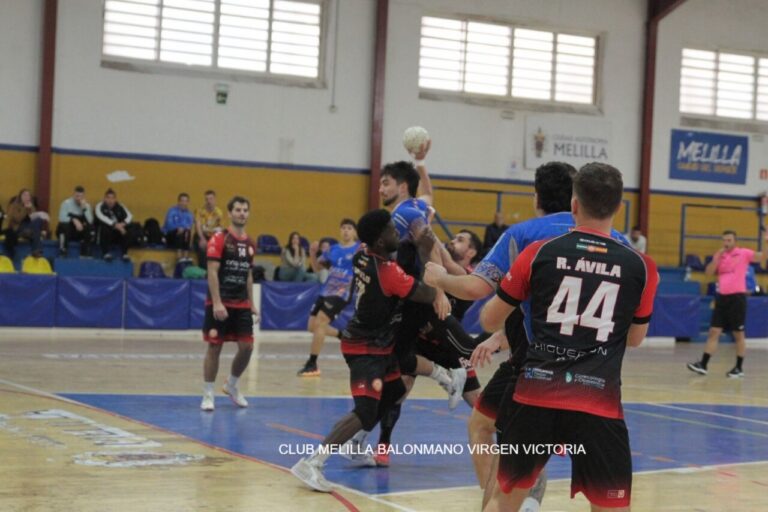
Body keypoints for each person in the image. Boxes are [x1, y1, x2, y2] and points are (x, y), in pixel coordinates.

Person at [424, 162, 629, 503]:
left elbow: (478, 290)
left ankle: (512, 504)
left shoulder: (525, 237)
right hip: (598, 379)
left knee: (499, 442)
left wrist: (439, 278)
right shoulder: (620, 245)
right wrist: (502, 335)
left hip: (536, 367)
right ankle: (525, 502)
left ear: (538, 197)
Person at [480, 162, 659, 512]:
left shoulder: (537, 253)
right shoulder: (641, 266)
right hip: (599, 402)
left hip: (535, 396)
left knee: (505, 501)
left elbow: (489, 320)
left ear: (574, 204)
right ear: (619, 208)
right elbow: (635, 339)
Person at [291, 209, 439, 492]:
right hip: (365, 348)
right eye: (392, 231)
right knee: (365, 410)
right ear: (380, 242)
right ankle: (312, 462)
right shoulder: (388, 273)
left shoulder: (363, 254)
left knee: (394, 391)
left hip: (378, 344)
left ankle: (355, 444)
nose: (397, 233)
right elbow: (427, 294)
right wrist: (427, 252)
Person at [201, 196, 259, 411]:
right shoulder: (219, 238)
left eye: (245, 210)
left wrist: (252, 303)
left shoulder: (251, 243)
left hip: (241, 303)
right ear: (230, 213)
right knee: (214, 347)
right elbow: (212, 272)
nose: (242, 213)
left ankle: (231, 385)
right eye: (237, 209)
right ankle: (208, 393)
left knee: (247, 347)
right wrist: (216, 303)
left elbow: (249, 275)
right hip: (220, 301)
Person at [687, 230, 767, 378]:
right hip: (722, 298)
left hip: (737, 299)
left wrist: (766, 242)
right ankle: (703, 364)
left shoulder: (743, 253)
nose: (726, 243)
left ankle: (739, 367)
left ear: (735, 241)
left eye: (729, 240)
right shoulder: (721, 256)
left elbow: (762, 257)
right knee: (713, 332)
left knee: (738, 334)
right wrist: (716, 258)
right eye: (724, 240)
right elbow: (709, 273)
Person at [297, 219, 360, 377]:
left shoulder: (359, 248)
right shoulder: (333, 249)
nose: (346, 231)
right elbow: (317, 268)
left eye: (349, 228)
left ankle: (312, 363)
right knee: (312, 326)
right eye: (343, 228)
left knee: (320, 322)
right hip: (326, 290)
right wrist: (312, 253)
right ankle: (343, 334)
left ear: (354, 232)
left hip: (342, 292)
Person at [5, 189, 49, 259]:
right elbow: (17, 219)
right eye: (24, 195)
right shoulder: (14, 205)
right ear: (20, 197)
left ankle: (36, 249)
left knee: (38, 220)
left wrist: (32, 210)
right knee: (36, 231)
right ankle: (36, 249)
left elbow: (33, 218)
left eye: (28, 195)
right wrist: (25, 209)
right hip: (18, 228)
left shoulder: (31, 206)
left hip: (29, 227)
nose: (26, 197)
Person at [95, 188, 132, 262]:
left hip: (117, 232)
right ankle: (105, 253)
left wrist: (123, 224)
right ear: (104, 198)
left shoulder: (120, 206)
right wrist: (116, 225)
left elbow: (129, 216)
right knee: (104, 228)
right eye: (108, 198)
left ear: (115, 199)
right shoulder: (99, 206)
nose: (110, 200)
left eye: (112, 198)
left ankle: (125, 253)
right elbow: (101, 217)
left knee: (130, 228)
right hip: (105, 232)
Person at [57, 185, 94, 257]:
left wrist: (84, 209)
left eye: (81, 196)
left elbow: (90, 221)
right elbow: (61, 218)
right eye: (77, 196)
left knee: (90, 228)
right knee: (63, 226)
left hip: (79, 231)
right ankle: (63, 249)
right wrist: (73, 220)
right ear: (73, 195)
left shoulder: (87, 206)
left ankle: (85, 251)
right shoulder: (66, 203)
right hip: (68, 230)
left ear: (83, 197)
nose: (78, 198)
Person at [194, 190, 223, 268]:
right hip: (201, 234)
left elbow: (220, 228)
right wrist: (202, 238)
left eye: (211, 199)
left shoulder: (218, 212)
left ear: (214, 199)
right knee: (202, 246)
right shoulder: (199, 211)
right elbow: (198, 226)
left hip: (212, 235)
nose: (208, 201)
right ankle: (204, 270)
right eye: (206, 199)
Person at [164, 193, 195, 262]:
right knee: (180, 232)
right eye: (182, 201)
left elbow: (189, 226)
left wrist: (184, 229)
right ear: (178, 202)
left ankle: (185, 257)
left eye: (185, 201)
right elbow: (169, 225)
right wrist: (178, 228)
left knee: (186, 232)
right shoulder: (172, 211)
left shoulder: (189, 214)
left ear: (188, 202)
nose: (183, 203)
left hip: (183, 237)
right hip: (170, 236)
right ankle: (179, 257)